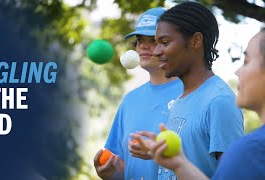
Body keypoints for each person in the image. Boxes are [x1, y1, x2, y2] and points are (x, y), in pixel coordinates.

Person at [131, 2, 244, 179]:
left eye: (165, 42)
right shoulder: (181, 99)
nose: (157, 51)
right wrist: (159, 152)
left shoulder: (219, 101)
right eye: (157, 43)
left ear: (196, 41)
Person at [138, 27, 265, 180]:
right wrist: (179, 164)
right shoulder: (179, 101)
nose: (237, 71)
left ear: (196, 41)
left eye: (246, 62)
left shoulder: (251, 149)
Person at [93, 7, 183, 179]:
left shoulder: (191, 92)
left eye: (153, 39)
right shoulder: (130, 100)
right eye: (140, 39)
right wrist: (110, 173)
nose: (143, 45)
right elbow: (123, 167)